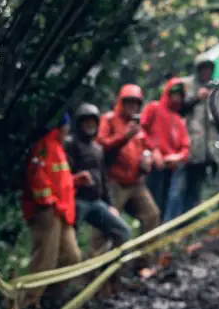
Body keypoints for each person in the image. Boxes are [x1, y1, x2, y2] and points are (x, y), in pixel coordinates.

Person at [19, 114, 81, 309]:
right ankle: (25, 307)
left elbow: (59, 180)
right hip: (48, 212)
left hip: (62, 212)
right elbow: (37, 176)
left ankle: (48, 300)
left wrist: (76, 181)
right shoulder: (44, 145)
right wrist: (48, 203)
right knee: (43, 260)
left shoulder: (57, 147)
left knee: (71, 257)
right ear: (62, 127)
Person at [96, 84, 160, 270]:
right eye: (128, 103)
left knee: (151, 215)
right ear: (121, 102)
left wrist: (147, 158)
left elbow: (146, 146)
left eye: (136, 103)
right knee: (104, 227)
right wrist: (124, 136)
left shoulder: (137, 126)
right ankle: (99, 271)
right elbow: (100, 147)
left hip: (135, 182)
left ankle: (144, 264)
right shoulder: (108, 120)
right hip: (115, 183)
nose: (132, 107)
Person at [65, 103, 131, 250]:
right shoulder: (71, 144)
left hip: (96, 202)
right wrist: (77, 179)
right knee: (70, 243)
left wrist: (111, 205)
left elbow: (104, 179)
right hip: (77, 200)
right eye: (86, 121)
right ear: (79, 123)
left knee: (123, 232)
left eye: (93, 121)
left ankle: (110, 270)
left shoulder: (97, 149)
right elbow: (63, 175)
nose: (90, 125)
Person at [143, 78, 191, 222]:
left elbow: (186, 147)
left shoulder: (178, 120)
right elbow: (141, 130)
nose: (176, 98)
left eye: (180, 95)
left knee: (166, 202)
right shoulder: (154, 108)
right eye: (174, 93)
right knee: (149, 204)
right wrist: (153, 150)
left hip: (169, 168)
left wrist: (177, 157)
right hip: (152, 165)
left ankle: (160, 236)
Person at [180, 56, 219, 213]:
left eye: (209, 69)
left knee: (198, 186)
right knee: (183, 187)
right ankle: (179, 220)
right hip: (188, 145)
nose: (206, 72)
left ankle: (193, 217)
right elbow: (178, 109)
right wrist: (196, 97)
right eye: (203, 69)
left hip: (207, 147)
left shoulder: (213, 89)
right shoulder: (187, 85)